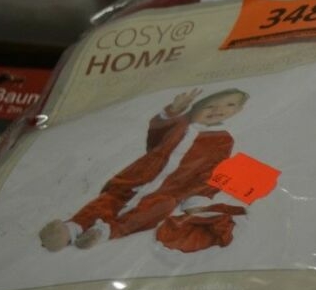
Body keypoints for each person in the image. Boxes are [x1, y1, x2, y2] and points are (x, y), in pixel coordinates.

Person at [39, 87, 248, 250]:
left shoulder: (222, 140)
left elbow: (210, 171)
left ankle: (105, 232)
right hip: (137, 178)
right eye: (210, 106)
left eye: (229, 105)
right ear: (196, 106)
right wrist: (173, 111)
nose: (217, 110)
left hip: (169, 191)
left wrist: (196, 199)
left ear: (237, 111)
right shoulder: (179, 123)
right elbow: (154, 138)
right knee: (108, 201)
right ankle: (71, 228)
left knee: (155, 209)